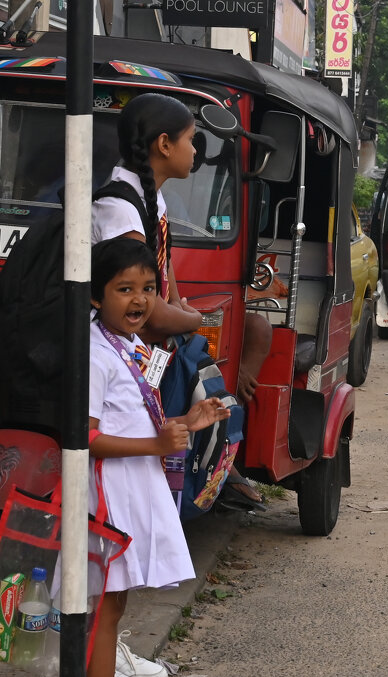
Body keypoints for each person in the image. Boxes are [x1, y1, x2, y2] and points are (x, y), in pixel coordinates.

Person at [83, 237, 231, 677]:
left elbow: (136, 419)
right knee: (100, 609)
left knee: (113, 606)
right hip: (107, 496)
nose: (139, 299)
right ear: (97, 296)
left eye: (147, 288)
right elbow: (84, 436)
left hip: (131, 488)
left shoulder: (129, 346)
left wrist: (188, 424)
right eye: (124, 288)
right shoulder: (96, 354)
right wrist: (154, 445)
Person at [93, 92, 267, 512]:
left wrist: (184, 312)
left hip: (139, 341)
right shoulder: (119, 210)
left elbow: (164, 285)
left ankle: (211, 461)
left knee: (234, 333)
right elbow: (142, 307)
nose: (195, 152)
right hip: (115, 346)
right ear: (164, 145)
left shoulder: (153, 201)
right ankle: (200, 470)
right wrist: (188, 318)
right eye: (191, 140)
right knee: (199, 347)